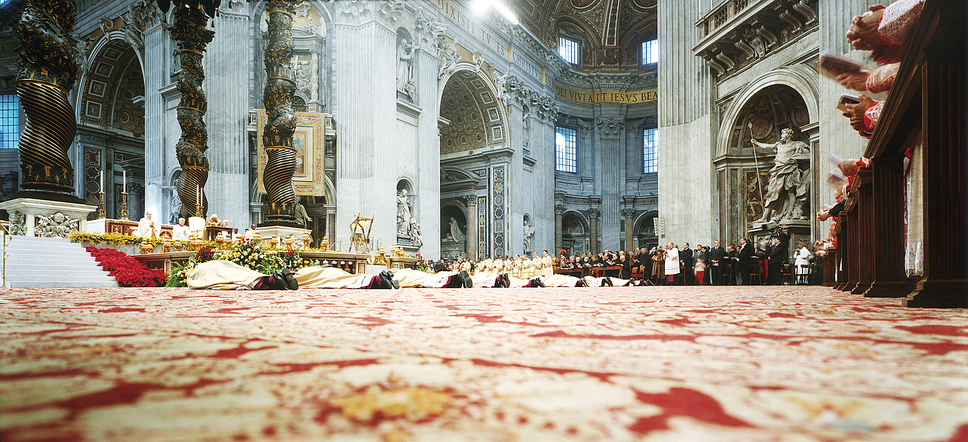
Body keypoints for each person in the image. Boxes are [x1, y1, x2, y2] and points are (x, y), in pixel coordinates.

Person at [750, 128, 811, 223]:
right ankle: (765, 217)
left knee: (790, 193)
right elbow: (767, 146)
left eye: (783, 134)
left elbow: (811, 155)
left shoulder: (796, 145)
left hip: (790, 170)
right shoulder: (778, 145)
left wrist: (796, 158)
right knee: (772, 193)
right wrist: (756, 143)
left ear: (788, 135)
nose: (782, 136)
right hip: (778, 171)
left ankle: (788, 215)